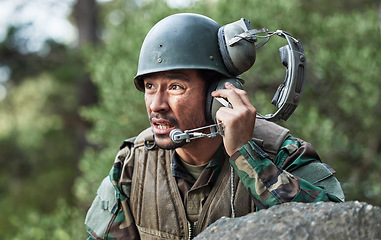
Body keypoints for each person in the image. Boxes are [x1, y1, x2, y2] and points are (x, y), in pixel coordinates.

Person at [85, 13, 344, 240]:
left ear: (219, 93)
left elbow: (338, 227)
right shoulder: (133, 161)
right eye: (150, 87)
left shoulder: (283, 154)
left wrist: (248, 158)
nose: (156, 105)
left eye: (175, 86)